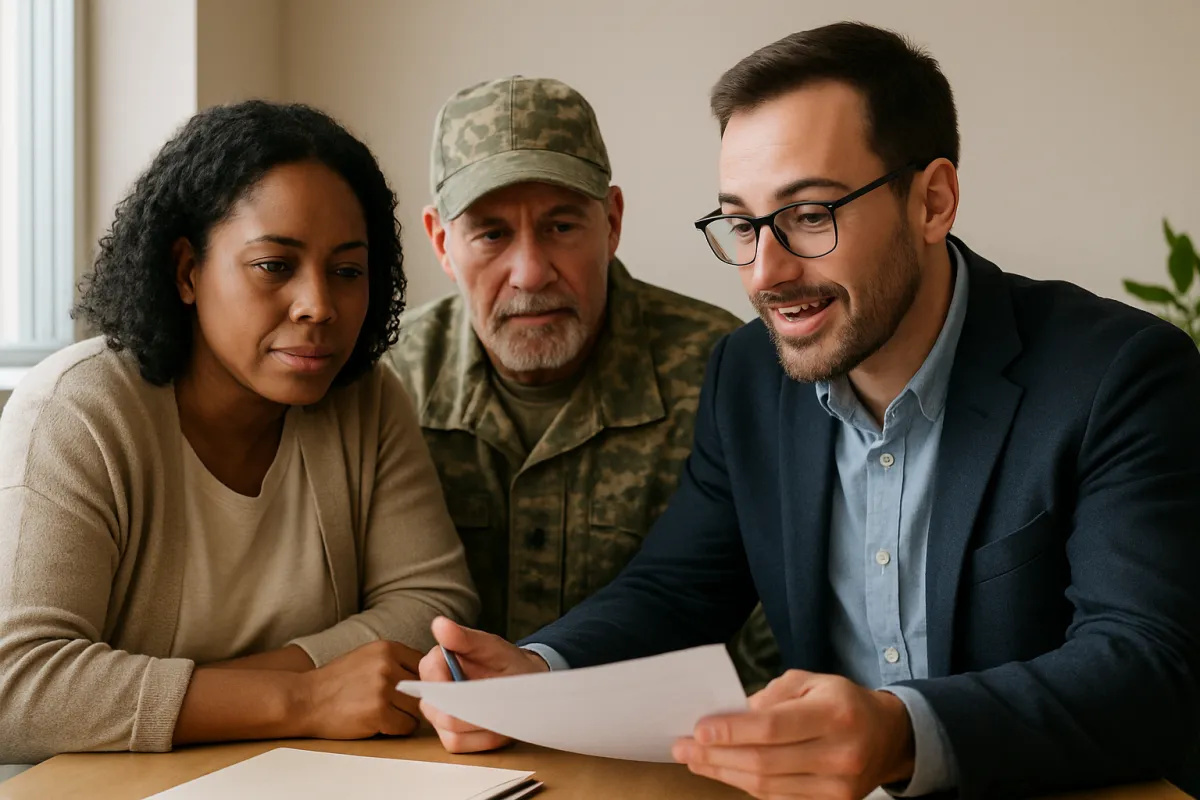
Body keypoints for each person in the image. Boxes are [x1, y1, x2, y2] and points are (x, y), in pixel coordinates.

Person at [415, 23, 1200, 799]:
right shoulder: (749, 373)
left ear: (932, 201)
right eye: (743, 223)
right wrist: (536, 673)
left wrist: (902, 731)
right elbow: (677, 590)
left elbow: (1150, 662)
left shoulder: (1118, 375)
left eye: (810, 215)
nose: (766, 272)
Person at [0, 101, 479, 767]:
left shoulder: (365, 398)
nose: (318, 305)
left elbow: (434, 606)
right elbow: (18, 688)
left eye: (346, 271)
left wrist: (228, 695)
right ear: (187, 271)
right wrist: (304, 698)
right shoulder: (77, 409)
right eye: (274, 265)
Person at [389, 76, 780, 689]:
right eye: (492, 234)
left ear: (612, 221)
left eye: (561, 227)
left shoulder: (722, 371)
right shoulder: (386, 383)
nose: (530, 272)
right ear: (442, 241)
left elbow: (772, 638)